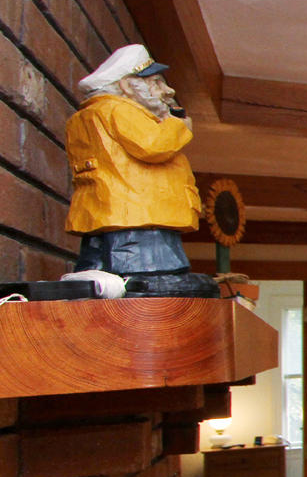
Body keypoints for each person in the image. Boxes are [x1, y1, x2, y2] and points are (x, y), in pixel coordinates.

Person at [63, 44, 217, 297]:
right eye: (156, 82)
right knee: (150, 278)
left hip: (107, 212)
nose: (168, 91)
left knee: (96, 270)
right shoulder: (118, 110)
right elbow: (153, 145)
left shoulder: (87, 116)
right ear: (127, 85)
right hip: (139, 216)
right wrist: (178, 126)